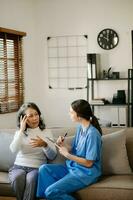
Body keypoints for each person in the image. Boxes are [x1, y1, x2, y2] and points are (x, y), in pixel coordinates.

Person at [36, 99, 102, 200]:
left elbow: (89, 163)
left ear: (79, 115)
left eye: (71, 112)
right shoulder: (80, 128)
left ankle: (51, 195)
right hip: (73, 168)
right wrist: (64, 144)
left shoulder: (93, 134)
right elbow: (74, 149)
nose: (69, 114)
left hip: (86, 173)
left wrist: (67, 155)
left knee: (50, 191)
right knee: (44, 169)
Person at [9, 102, 57, 200]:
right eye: (31, 116)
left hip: (36, 168)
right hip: (19, 166)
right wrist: (22, 130)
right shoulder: (19, 133)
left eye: (36, 114)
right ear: (23, 119)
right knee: (17, 177)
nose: (35, 118)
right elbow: (13, 149)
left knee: (31, 179)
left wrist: (45, 145)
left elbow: (52, 156)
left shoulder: (46, 132)